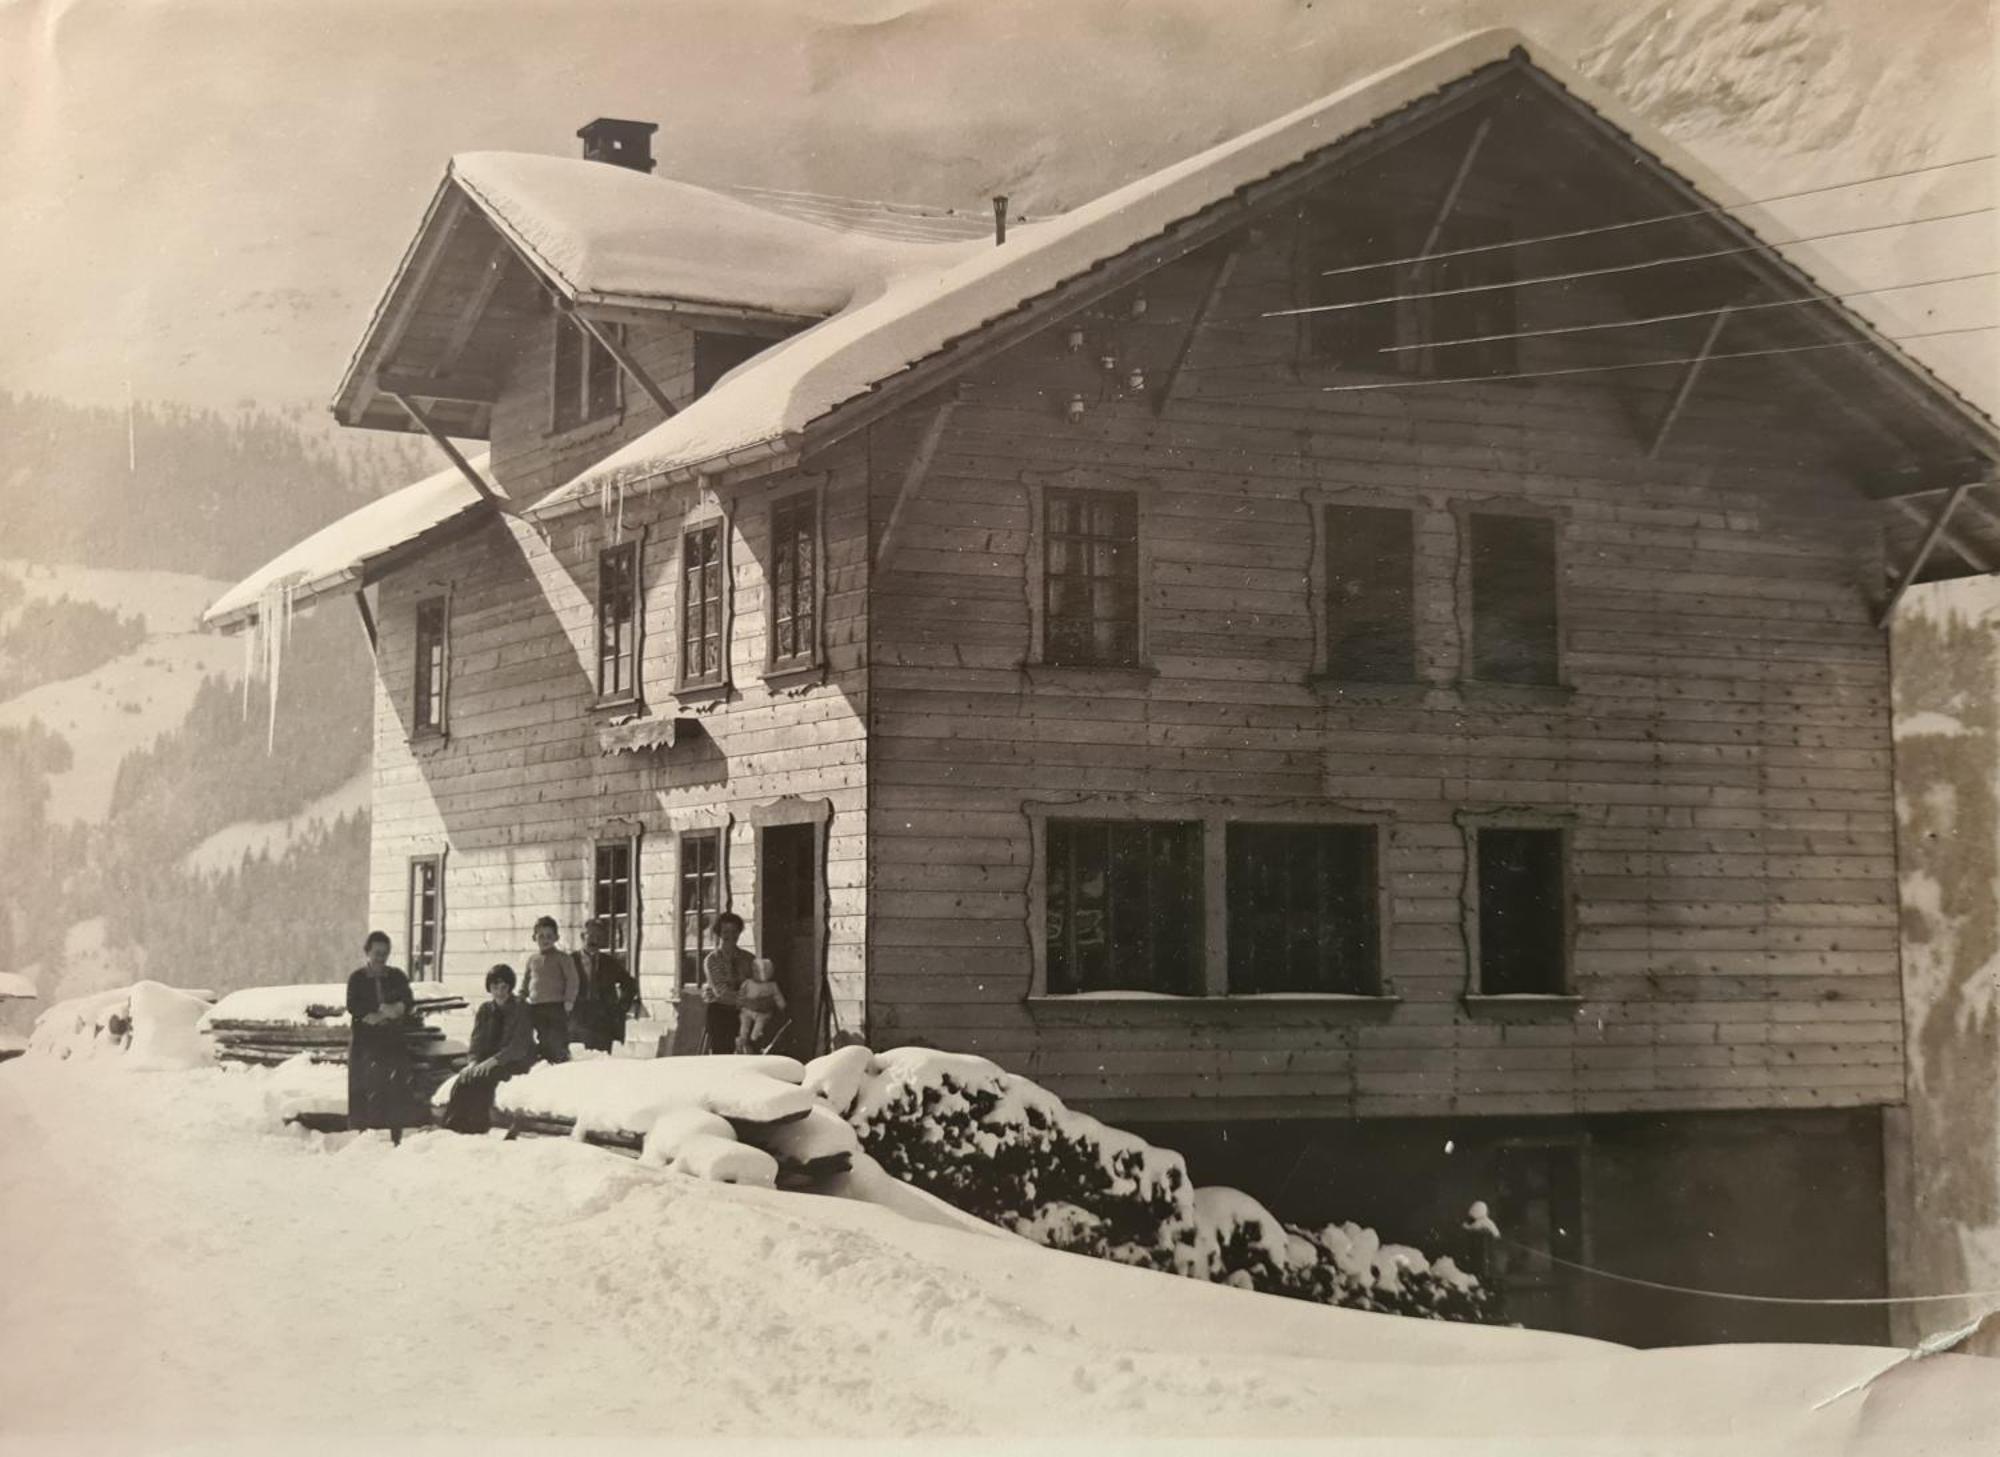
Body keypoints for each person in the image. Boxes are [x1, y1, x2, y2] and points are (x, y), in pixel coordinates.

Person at [440, 964, 536, 1134]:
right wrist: (473, 1062)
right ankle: (451, 1130)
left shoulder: (521, 1008)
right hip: (487, 1060)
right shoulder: (485, 1010)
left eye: (504, 987)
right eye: (495, 987)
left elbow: (518, 1046)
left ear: (510, 987)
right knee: (464, 1079)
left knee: (483, 1079)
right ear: (489, 988)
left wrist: (492, 1062)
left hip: (514, 1061)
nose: (499, 991)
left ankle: (476, 1129)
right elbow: (476, 1040)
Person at [346, 930, 417, 1144]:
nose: (381, 958)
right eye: (377, 953)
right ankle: (367, 1136)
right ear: (367, 953)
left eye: (385, 953)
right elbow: (353, 1005)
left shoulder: (397, 976)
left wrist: (398, 1008)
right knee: (369, 1086)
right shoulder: (357, 978)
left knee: (395, 1087)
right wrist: (377, 1010)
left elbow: (408, 1000)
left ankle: (395, 1135)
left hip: (392, 1040)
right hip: (366, 1042)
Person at [572, 918, 639, 1053]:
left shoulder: (609, 963)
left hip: (602, 1023)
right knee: (577, 1064)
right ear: (582, 936)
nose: (594, 941)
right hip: (577, 1021)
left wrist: (621, 1008)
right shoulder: (569, 961)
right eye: (591, 936)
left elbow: (630, 984)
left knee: (602, 1064)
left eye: (598, 937)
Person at [520, 916, 578, 1065]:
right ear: (534, 938)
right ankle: (545, 1062)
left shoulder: (562, 958)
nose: (545, 940)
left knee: (556, 1037)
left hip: (556, 1006)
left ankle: (561, 1060)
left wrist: (569, 1000)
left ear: (556, 937)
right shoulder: (532, 959)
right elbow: (527, 981)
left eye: (549, 936)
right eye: (541, 936)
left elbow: (572, 980)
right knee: (542, 1036)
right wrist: (521, 996)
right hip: (536, 1005)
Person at [699, 911, 755, 1055]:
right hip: (721, 1014)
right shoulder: (712, 960)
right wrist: (749, 999)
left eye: (735, 931)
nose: (731, 936)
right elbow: (721, 993)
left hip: (745, 1015)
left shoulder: (749, 959)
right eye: (726, 931)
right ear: (719, 933)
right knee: (723, 1057)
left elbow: (756, 985)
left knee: (748, 1056)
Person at [736, 957, 786, 1053]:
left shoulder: (771, 985)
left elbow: (777, 996)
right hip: (748, 1009)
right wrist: (741, 1000)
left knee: (760, 1021)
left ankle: (754, 1037)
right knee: (744, 1020)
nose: (755, 974)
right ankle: (743, 1038)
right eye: (754, 971)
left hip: (762, 1012)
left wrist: (781, 1005)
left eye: (758, 972)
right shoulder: (748, 983)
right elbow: (741, 993)